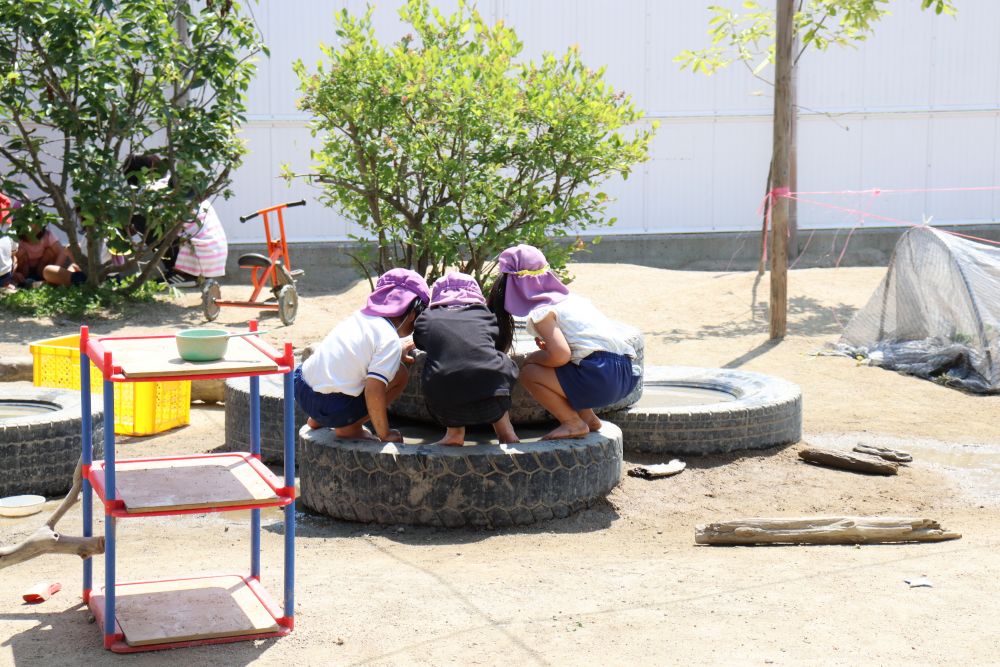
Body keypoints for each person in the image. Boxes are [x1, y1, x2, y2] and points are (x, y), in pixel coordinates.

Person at [488, 244, 640, 440]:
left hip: (601, 377)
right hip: (625, 374)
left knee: (530, 372)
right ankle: (590, 419)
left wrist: (535, 358)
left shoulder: (542, 312)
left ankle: (572, 422)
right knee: (568, 367)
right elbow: (581, 347)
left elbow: (560, 355)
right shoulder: (574, 300)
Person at [295, 268, 430, 442]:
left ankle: (317, 419)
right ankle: (349, 428)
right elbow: (374, 390)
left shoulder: (359, 317)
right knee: (401, 375)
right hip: (333, 406)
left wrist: (396, 353)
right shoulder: (389, 338)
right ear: (412, 314)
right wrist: (385, 434)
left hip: (303, 389)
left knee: (343, 377)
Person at [412, 272, 520, 446]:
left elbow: (421, 343)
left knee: (440, 363)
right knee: (496, 362)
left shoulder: (426, 318)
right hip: (494, 401)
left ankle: (454, 434)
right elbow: (493, 342)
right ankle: (506, 433)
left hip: (444, 407)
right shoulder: (484, 315)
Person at [0, 194, 17, 293]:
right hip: (2, 276)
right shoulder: (8, 225)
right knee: (14, 257)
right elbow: (14, 250)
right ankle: (5, 284)